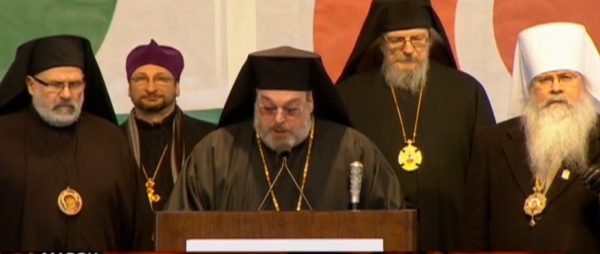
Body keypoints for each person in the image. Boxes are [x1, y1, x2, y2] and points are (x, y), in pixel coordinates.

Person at [334, 0, 496, 251]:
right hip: (375, 238)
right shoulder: (349, 97)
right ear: (380, 43)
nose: (408, 49)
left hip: (453, 237)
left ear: (431, 41)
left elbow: (487, 176)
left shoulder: (467, 93)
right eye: (397, 41)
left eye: (418, 40)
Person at [166, 46, 402, 211]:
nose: (279, 119)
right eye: (268, 108)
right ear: (255, 103)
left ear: (310, 103)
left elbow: (392, 222)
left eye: (291, 110)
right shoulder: (216, 152)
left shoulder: (352, 149)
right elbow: (180, 226)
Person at [456, 22, 600, 253]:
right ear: (530, 87)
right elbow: (472, 233)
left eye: (566, 77)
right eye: (545, 80)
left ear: (584, 83)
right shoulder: (492, 142)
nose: (556, 88)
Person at [0, 35, 152, 251]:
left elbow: (139, 226)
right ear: (31, 85)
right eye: (55, 85)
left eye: (75, 84)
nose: (66, 94)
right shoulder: (3, 137)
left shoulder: (109, 139)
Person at [121, 39, 215, 211]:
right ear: (128, 88)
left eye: (161, 79)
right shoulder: (111, 141)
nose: (150, 88)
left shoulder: (208, 139)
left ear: (177, 87)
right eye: (141, 79)